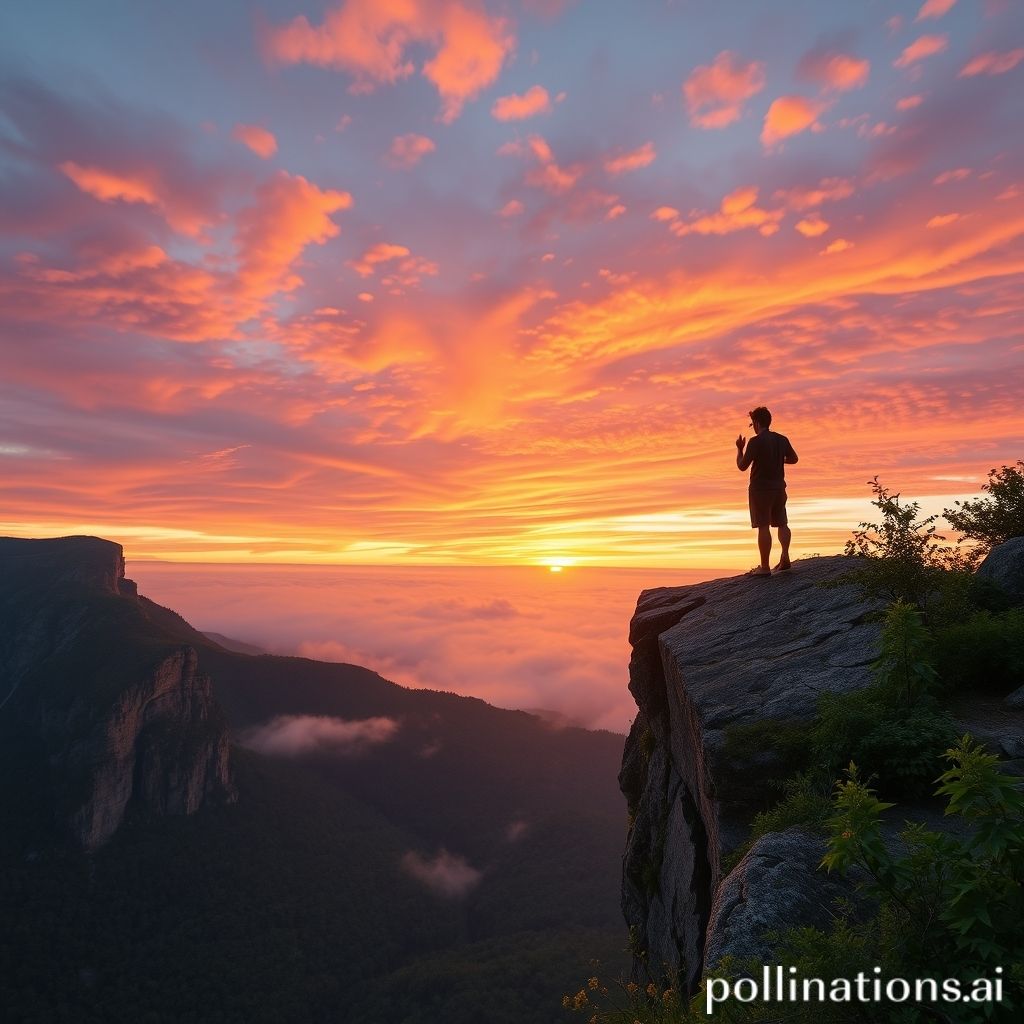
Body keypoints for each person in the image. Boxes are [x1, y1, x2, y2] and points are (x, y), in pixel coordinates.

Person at [735, 406, 798, 576]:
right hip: (779, 488)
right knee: (782, 523)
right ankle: (785, 557)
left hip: (760, 489)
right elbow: (794, 459)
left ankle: (764, 567)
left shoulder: (755, 442)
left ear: (756, 422)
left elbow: (742, 466)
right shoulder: (782, 439)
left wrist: (740, 449)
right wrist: (778, 460)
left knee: (763, 526)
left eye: (752, 423)